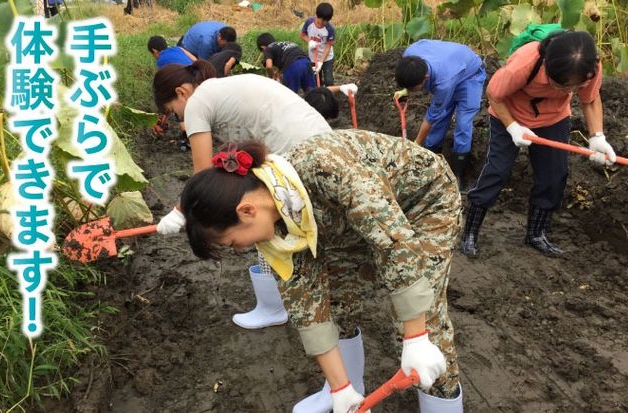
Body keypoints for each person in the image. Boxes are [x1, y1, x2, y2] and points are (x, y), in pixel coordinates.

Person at [180, 130, 463, 413]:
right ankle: (349, 393)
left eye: (231, 243)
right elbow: (306, 306)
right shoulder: (277, 228)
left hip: (423, 201)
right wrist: (340, 389)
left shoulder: (323, 168)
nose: (239, 249)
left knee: (425, 326)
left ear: (247, 211)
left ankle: (444, 402)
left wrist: (414, 337)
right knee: (337, 302)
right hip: (345, 223)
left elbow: (394, 241)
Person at [152, 60, 331, 330]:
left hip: (296, 148)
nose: (180, 118)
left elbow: (201, 174)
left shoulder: (198, 103)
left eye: (173, 112)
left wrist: (179, 213)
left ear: (181, 93)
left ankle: (276, 307)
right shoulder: (217, 91)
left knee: (261, 222)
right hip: (319, 140)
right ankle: (279, 303)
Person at [461, 31, 616, 257]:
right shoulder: (525, 63)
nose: (569, 92)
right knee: (497, 171)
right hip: (509, 113)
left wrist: (597, 137)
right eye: (562, 87)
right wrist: (513, 126)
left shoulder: (590, 68)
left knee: (554, 176)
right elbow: (494, 95)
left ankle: (536, 233)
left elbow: (590, 100)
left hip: (553, 118)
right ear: (546, 68)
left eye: (574, 87)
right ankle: (470, 233)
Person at [395, 40, 486, 192]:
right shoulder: (409, 57)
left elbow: (432, 116)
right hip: (452, 64)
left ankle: (458, 175)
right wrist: (405, 91)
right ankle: (429, 163)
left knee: (462, 125)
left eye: (413, 88)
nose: (412, 90)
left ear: (425, 78)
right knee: (439, 122)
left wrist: (416, 143)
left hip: (470, 76)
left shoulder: (443, 82)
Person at [300, 2, 336, 86]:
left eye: (325, 22)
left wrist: (321, 62)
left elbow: (328, 46)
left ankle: (329, 95)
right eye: (321, 21)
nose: (322, 23)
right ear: (316, 15)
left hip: (327, 58)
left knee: (329, 81)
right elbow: (302, 35)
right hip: (313, 57)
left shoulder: (330, 28)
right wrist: (310, 41)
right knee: (316, 80)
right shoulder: (309, 22)